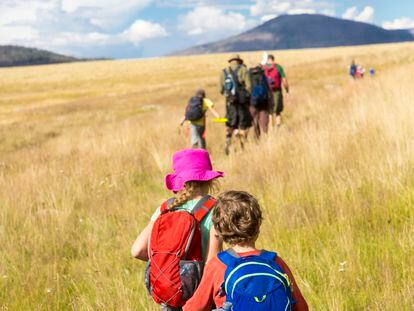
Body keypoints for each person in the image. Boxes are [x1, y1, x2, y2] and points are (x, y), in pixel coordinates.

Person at [184, 191, 308, 311]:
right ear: (258, 225)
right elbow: (302, 307)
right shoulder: (275, 262)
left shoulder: (218, 265)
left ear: (219, 229)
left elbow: (194, 307)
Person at [131, 149, 224, 310]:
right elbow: (211, 263)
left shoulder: (165, 208)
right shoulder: (215, 210)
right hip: (199, 295)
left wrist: (170, 265)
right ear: (209, 179)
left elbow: (137, 250)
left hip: (169, 294)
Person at [219, 54, 252, 155]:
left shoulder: (224, 72)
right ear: (239, 61)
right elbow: (249, 86)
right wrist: (245, 96)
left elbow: (221, 90)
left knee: (230, 124)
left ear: (230, 61)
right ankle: (242, 147)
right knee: (242, 125)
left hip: (229, 104)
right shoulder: (243, 70)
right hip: (242, 104)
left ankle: (228, 141)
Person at [263, 54, 289, 128]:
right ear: (273, 59)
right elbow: (284, 80)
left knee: (270, 111)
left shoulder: (263, 68)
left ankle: (271, 127)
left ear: (267, 59)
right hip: (277, 91)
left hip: (267, 91)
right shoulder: (278, 67)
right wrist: (287, 90)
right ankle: (278, 126)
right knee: (278, 110)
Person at [249, 64, 272, 138]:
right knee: (264, 121)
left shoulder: (249, 76)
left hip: (252, 102)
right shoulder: (263, 76)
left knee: (254, 120)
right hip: (264, 102)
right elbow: (269, 89)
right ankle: (265, 137)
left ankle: (256, 138)